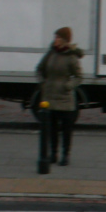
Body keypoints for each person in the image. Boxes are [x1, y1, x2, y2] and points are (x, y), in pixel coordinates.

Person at [35, 26, 84, 165]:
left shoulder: (71, 57)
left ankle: (65, 155)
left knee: (66, 130)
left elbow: (79, 77)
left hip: (65, 99)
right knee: (52, 129)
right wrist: (42, 83)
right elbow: (39, 69)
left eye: (57, 37)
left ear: (64, 41)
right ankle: (53, 154)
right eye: (55, 37)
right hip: (49, 97)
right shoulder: (51, 53)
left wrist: (68, 86)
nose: (55, 40)